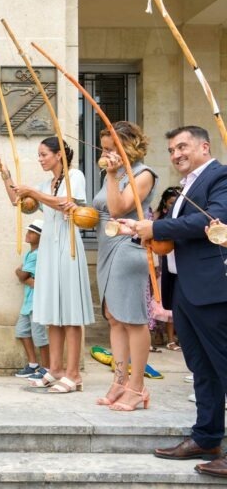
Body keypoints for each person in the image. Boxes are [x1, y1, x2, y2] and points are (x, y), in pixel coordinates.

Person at [129, 126, 227, 478]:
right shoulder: (186, 185)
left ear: (204, 146)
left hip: (213, 287)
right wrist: (140, 230)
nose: (176, 154)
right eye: (171, 149)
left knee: (223, 365)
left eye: (182, 147)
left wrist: (156, 230)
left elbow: (211, 220)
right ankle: (206, 437)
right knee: (201, 368)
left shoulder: (221, 176)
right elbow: (175, 230)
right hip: (184, 287)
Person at [0, 137, 94, 394]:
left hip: (68, 246)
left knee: (70, 314)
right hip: (50, 249)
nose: (40, 159)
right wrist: (5, 176)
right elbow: (19, 202)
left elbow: (66, 204)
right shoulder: (45, 183)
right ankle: (56, 369)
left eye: (43, 154)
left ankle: (74, 374)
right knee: (53, 312)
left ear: (58, 155)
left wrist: (35, 193)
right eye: (39, 155)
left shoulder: (75, 176)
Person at [92, 121, 157, 411]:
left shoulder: (143, 174)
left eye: (110, 148)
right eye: (104, 148)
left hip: (128, 249)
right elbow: (101, 210)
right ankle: (119, 380)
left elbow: (118, 209)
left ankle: (138, 386)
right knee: (114, 316)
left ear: (127, 147)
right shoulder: (115, 175)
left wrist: (112, 173)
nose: (105, 154)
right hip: (106, 248)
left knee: (133, 318)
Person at [13, 219, 50, 379]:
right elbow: (25, 277)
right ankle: (33, 364)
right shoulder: (30, 253)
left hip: (36, 302)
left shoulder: (37, 255)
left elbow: (22, 274)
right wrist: (26, 278)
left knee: (39, 336)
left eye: (32, 232)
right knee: (22, 331)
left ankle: (47, 368)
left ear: (40, 237)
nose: (28, 234)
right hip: (28, 301)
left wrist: (21, 274)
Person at [151, 186, 181, 351]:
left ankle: (175, 337)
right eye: (171, 203)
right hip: (164, 266)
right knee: (162, 304)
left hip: (180, 267)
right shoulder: (159, 221)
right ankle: (162, 335)